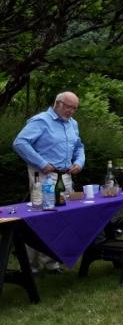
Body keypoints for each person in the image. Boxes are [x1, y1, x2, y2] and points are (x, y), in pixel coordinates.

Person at [13, 91, 85, 273]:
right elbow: (20, 143)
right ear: (58, 103)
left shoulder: (73, 124)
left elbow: (79, 147)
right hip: (44, 176)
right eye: (69, 107)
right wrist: (41, 163)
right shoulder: (41, 120)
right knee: (40, 218)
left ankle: (52, 261)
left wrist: (79, 162)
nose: (71, 112)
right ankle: (31, 265)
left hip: (66, 175)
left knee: (62, 219)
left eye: (75, 108)